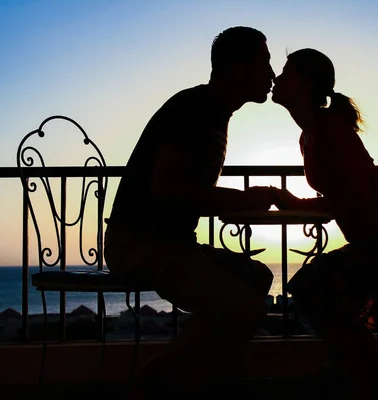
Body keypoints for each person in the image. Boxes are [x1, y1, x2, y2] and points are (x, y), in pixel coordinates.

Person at [104, 27, 277, 395]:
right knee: (244, 309)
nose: (272, 75)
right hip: (139, 243)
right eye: (264, 63)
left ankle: (199, 376)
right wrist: (246, 199)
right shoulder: (196, 109)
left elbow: (187, 192)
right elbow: (168, 190)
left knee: (256, 277)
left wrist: (246, 199)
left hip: (169, 243)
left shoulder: (211, 112)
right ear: (236, 68)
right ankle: (155, 381)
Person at [271, 48, 378, 399]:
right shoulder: (310, 134)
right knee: (316, 291)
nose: (276, 78)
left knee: (310, 288)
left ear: (305, 83)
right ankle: (366, 369)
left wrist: (298, 204)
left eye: (285, 72)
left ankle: (373, 369)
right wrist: (296, 204)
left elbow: (356, 197)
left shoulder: (330, 128)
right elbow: (344, 198)